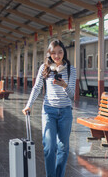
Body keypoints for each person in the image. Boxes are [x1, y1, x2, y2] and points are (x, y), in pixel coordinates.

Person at [22, 39, 76, 177]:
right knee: (49, 147)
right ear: (49, 54)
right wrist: (28, 105)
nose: (57, 56)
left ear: (64, 52)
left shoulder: (71, 70)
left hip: (65, 112)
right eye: (53, 53)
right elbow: (36, 88)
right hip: (48, 111)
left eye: (60, 52)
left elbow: (72, 95)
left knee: (63, 148)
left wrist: (64, 85)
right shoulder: (44, 68)